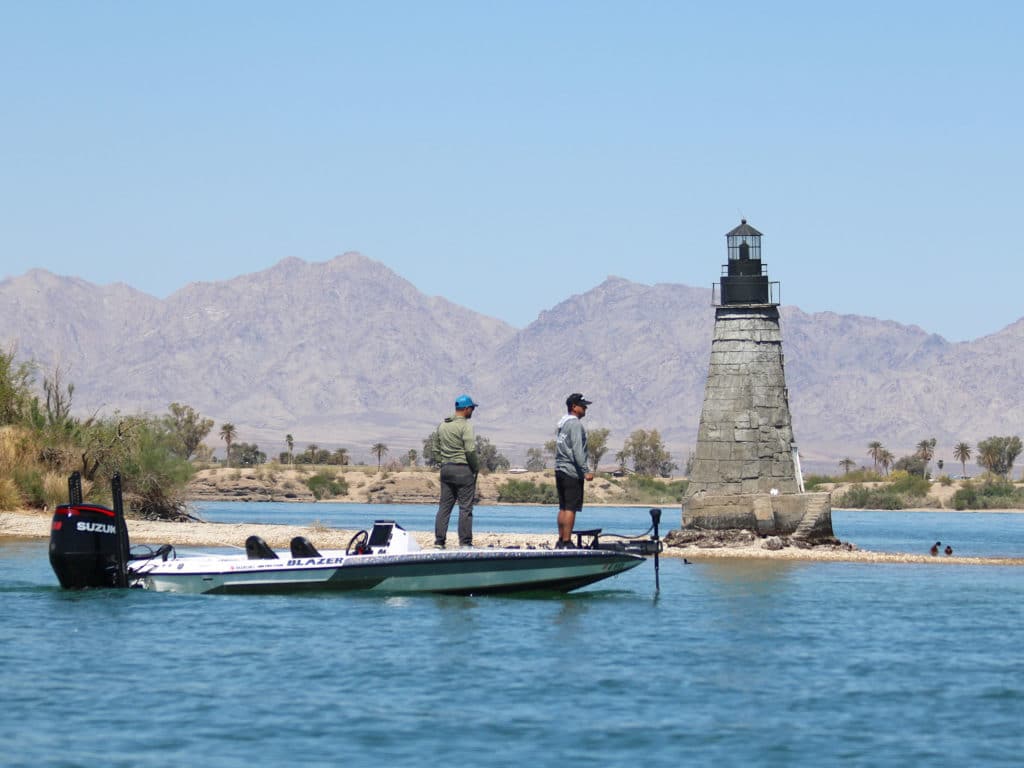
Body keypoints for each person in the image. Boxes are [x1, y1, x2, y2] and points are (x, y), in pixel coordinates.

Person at [432, 394, 480, 548]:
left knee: (444, 507)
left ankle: (439, 542)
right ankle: (465, 543)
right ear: (466, 409)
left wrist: (443, 463)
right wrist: (475, 467)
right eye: (472, 408)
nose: (472, 411)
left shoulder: (443, 425)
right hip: (463, 470)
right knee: (465, 508)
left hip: (446, 470)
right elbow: (470, 450)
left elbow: (435, 449)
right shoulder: (466, 426)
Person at [554, 393, 594, 548]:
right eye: (582, 406)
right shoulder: (575, 424)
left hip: (560, 469)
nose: (585, 409)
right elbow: (577, 450)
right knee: (571, 507)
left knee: (563, 507)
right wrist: (585, 470)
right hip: (571, 471)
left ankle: (560, 540)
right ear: (574, 407)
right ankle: (566, 541)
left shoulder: (563, 424)